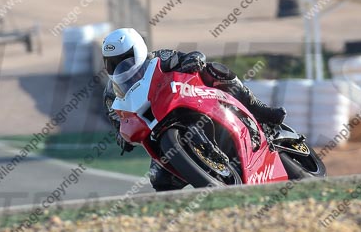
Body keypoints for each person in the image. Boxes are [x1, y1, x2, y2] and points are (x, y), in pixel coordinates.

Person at [101, 27, 286, 192]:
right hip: (155, 130)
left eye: (124, 59)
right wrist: (121, 136)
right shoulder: (111, 93)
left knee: (214, 70)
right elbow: (117, 119)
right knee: (159, 180)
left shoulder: (159, 57)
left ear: (138, 50)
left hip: (183, 102)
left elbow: (190, 56)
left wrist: (194, 60)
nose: (119, 66)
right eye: (112, 62)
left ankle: (259, 109)